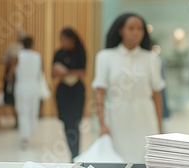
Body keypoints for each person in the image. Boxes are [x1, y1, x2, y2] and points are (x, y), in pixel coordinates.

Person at [92, 13, 165, 163]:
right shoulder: (105, 57)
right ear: (121, 30)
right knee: (118, 160)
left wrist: (159, 128)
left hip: (145, 116)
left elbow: (157, 95)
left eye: (140, 29)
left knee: (144, 159)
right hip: (116, 116)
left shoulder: (151, 58)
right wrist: (102, 124)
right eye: (131, 28)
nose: (136, 32)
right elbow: (99, 92)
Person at [52, 28, 87, 161]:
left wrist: (66, 72)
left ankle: (76, 154)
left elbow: (82, 72)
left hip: (77, 92)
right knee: (67, 124)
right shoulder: (59, 53)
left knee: (76, 123)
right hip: (63, 93)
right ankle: (72, 154)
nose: (64, 42)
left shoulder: (80, 53)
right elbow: (53, 72)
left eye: (66, 39)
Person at [9, 36, 42, 149]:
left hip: (22, 86)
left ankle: (25, 136)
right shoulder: (37, 56)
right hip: (34, 86)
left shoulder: (17, 56)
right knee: (33, 110)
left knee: (23, 111)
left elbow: (10, 73)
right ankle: (30, 130)